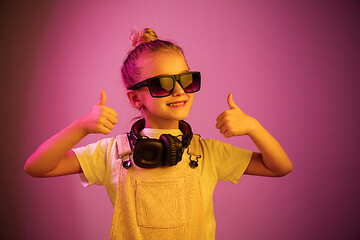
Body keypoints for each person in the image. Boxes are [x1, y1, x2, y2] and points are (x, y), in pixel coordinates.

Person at [24, 28, 292, 240]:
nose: (179, 91)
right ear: (135, 98)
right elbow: (36, 167)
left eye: (187, 80)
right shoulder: (113, 153)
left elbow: (280, 167)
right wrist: (81, 126)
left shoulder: (208, 153)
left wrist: (254, 128)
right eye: (162, 84)